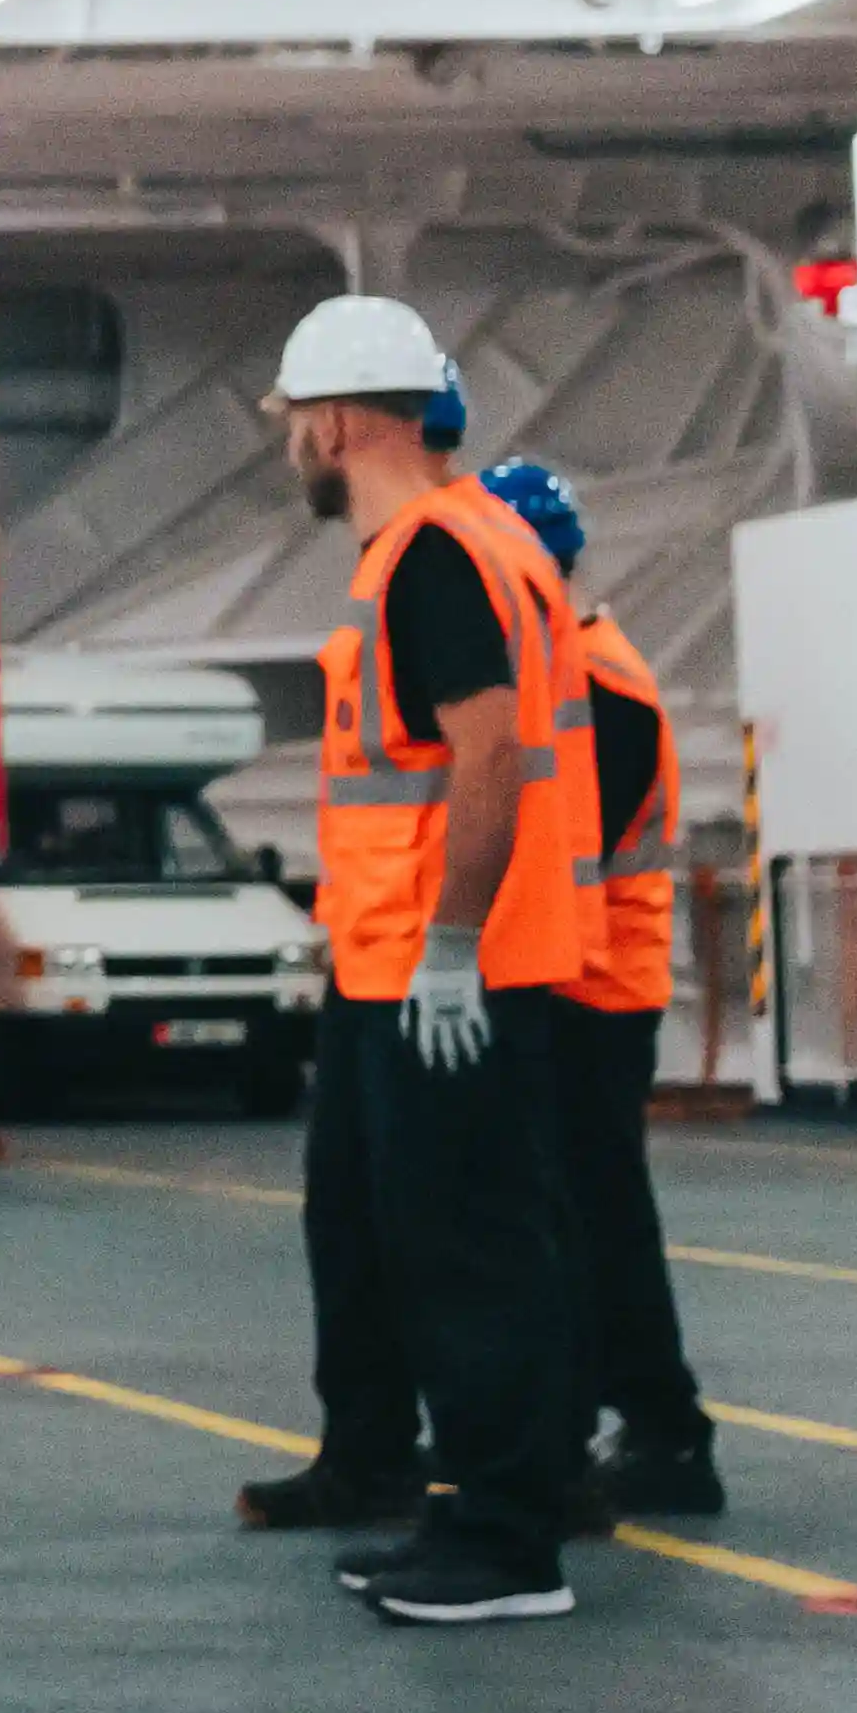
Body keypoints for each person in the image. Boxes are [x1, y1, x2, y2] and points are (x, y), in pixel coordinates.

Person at [223, 293, 608, 1627]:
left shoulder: (430, 559)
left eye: (290, 423)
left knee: (470, 1257)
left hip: (445, 973)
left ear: (331, 423)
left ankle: (507, 1547)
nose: (289, 446)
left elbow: (486, 756)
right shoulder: (472, 542)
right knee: (438, 1240)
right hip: (402, 969)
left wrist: (446, 947)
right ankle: (477, 1506)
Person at [479, 458, 723, 1521]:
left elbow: (562, 854)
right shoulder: (575, 670)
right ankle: (643, 1431)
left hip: (588, 991)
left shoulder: (595, 684)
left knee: (585, 1224)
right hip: (580, 983)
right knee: (590, 1217)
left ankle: (642, 1432)